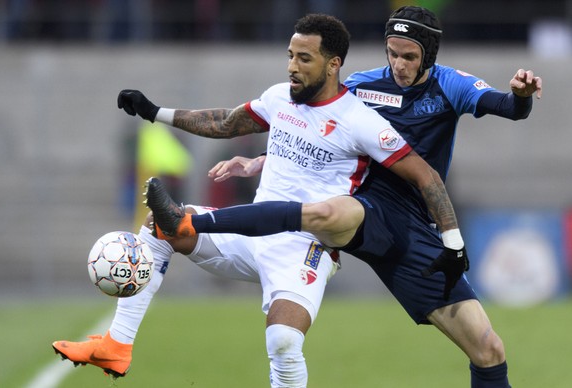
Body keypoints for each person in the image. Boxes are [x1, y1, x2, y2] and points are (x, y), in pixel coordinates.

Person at [54, 13, 467, 387]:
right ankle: (117, 345)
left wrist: (451, 240)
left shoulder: (360, 120)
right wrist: (155, 111)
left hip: (305, 246)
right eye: (290, 55)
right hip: (250, 235)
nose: (292, 66)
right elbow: (225, 122)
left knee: (285, 342)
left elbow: (425, 175)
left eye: (305, 59)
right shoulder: (279, 98)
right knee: (159, 226)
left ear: (333, 64)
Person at [142, 6, 542, 388]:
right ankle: (191, 221)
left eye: (408, 57)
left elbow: (509, 108)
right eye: (392, 54)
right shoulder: (362, 86)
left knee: (487, 349)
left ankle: (195, 222)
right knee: (321, 216)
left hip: (413, 230)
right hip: (363, 207)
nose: (398, 65)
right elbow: (314, 126)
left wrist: (521, 96)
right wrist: (263, 159)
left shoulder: (452, 84)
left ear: (428, 56)